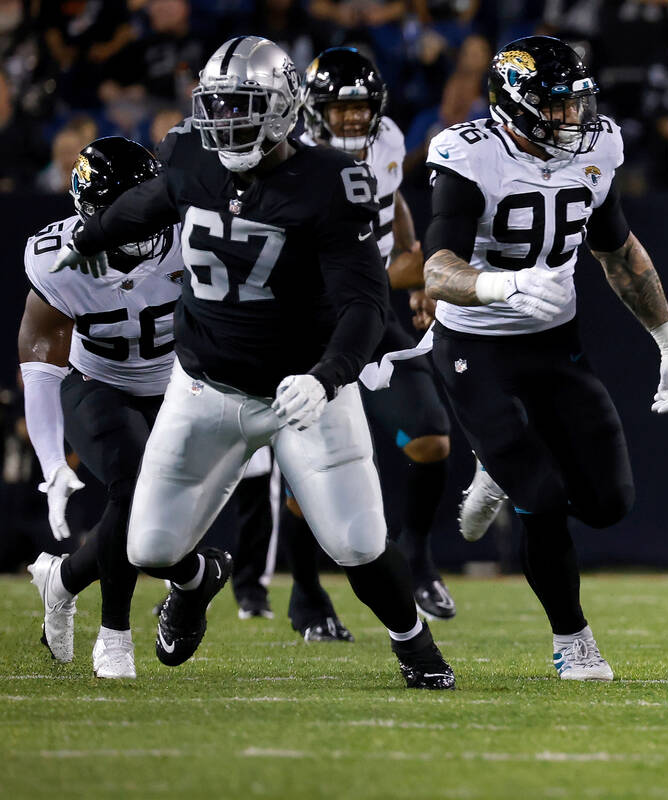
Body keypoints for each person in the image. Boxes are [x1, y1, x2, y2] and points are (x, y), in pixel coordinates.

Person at [52, 36, 454, 689]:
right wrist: (93, 236)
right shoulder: (188, 153)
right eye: (216, 105)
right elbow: (150, 203)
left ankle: (414, 642)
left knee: (356, 543)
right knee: (149, 546)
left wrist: (327, 378)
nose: (225, 121)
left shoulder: (330, 180)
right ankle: (197, 584)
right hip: (205, 386)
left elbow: (365, 302)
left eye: (241, 106)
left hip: (303, 391)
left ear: (282, 107)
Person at [424, 36, 668, 680]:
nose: (573, 119)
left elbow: (619, 253)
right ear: (513, 107)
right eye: (556, 107)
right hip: (475, 344)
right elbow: (436, 271)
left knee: (608, 502)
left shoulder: (598, 146)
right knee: (540, 496)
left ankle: (497, 466)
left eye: (577, 104)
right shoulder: (468, 156)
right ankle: (573, 641)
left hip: (553, 343)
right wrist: (501, 285)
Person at [299, 46, 457, 623]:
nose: (354, 118)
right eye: (340, 109)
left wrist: (415, 266)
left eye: (362, 106)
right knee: (304, 466)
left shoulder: (387, 140)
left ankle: (417, 555)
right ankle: (306, 592)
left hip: (370, 311)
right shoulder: (290, 158)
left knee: (430, 439)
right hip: (310, 318)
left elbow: (391, 202)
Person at [21, 136, 183, 679]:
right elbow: (40, 362)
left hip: (178, 385)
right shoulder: (59, 259)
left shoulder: (192, 229)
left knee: (163, 524)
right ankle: (115, 634)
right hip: (98, 382)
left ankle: (62, 580)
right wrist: (50, 465)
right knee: (133, 486)